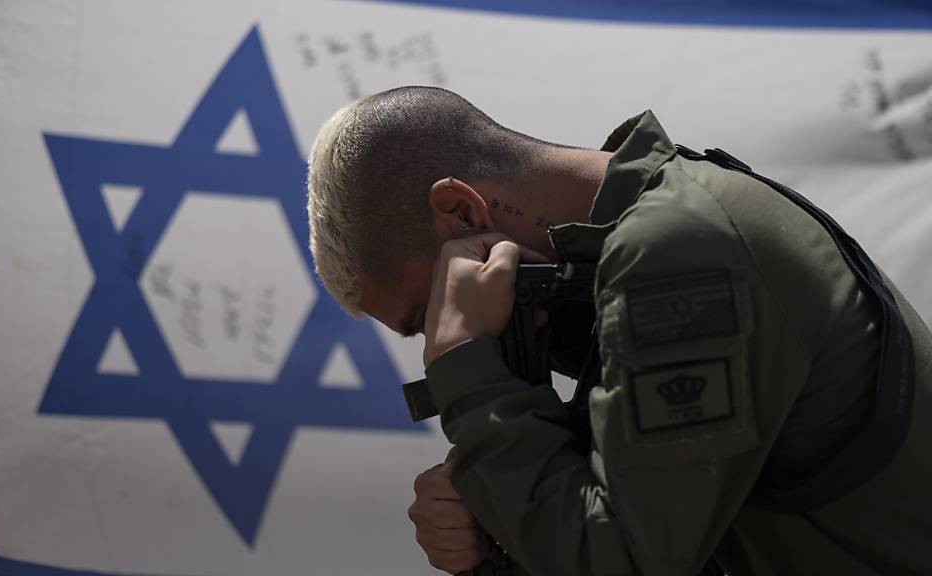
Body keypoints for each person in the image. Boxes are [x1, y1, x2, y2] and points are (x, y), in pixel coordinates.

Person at [305, 86, 932, 576]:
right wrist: (487, 514)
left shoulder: (681, 250)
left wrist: (470, 377)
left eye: (430, 315)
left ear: (463, 212)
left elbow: (616, 561)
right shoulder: (649, 238)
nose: (442, 332)